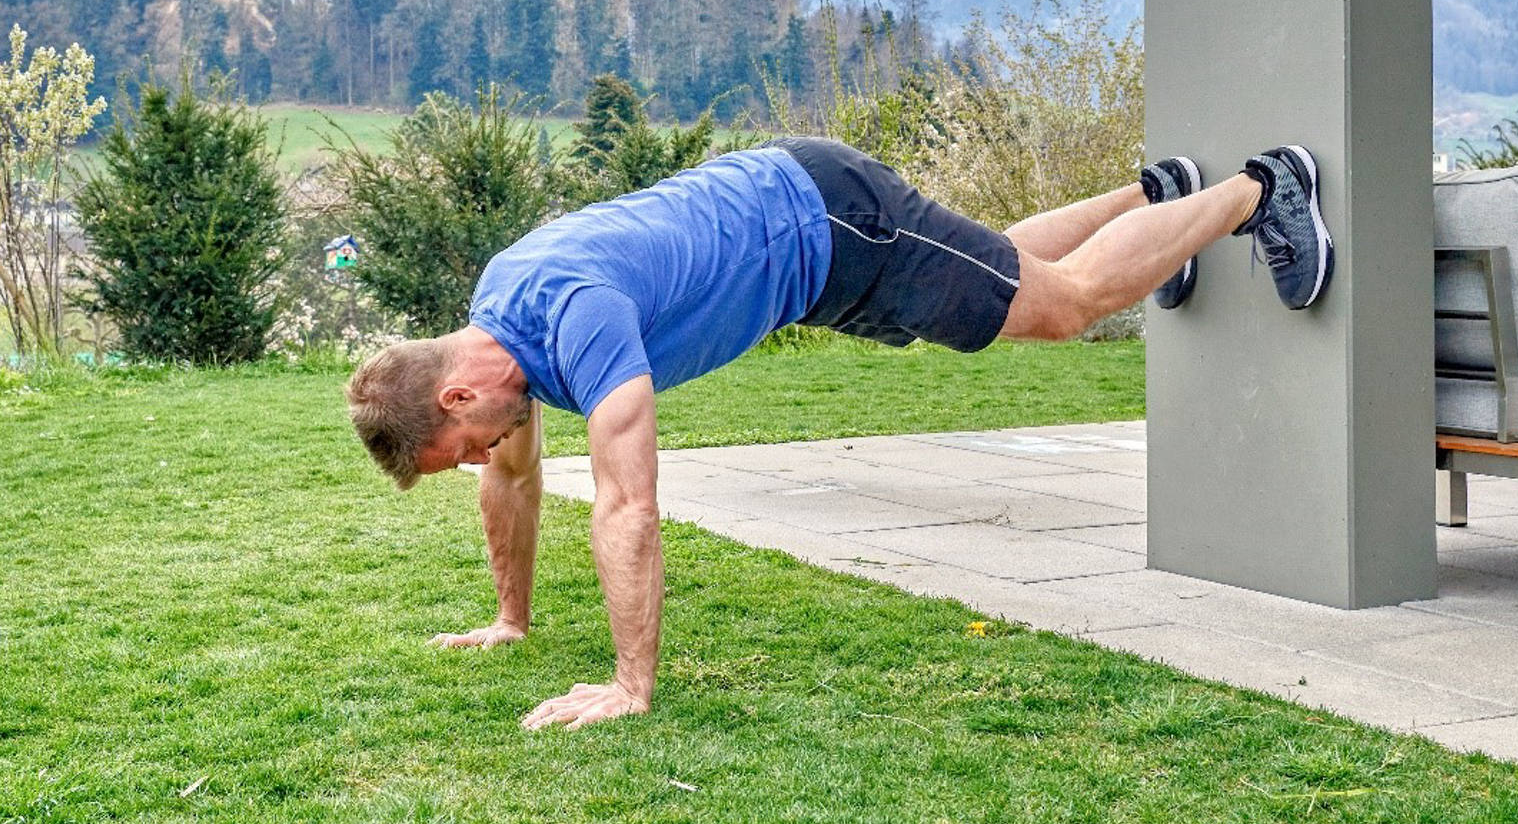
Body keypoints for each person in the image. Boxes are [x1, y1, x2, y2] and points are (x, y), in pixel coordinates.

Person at [346, 137, 1332, 731]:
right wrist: (512, 621)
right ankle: (1159, 202)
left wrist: (629, 684)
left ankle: (1255, 190)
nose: (485, 455)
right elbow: (512, 483)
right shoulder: (498, 334)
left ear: (457, 394)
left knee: (1058, 309)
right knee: (997, 283)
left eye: (465, 444)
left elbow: (627, 505)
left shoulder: (577, 319)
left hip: (827, 217)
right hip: (811, 259)